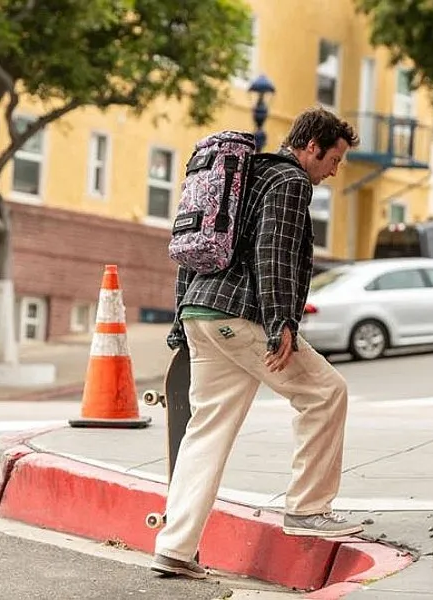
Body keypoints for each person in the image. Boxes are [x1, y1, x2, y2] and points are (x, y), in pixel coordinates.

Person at [150, 107, 363, 580]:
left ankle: (175, 547)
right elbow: (274, 252)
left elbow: (192, 250)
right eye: (334, 158)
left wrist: (179, 318)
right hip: (241, 315)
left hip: (201, 315)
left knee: (206, 431)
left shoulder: (239, 178)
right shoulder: (289, 183)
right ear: (312, 146)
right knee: (326, 394)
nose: (334, 170)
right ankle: (308, 507)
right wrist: (281, 322)